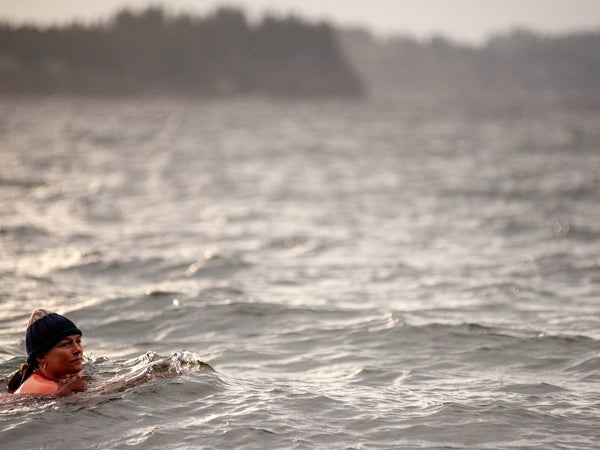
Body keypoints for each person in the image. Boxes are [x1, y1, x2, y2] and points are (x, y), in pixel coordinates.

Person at [6, 309, 86, 395]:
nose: (78, 349)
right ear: (41, 357)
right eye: (66, 344)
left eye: (78, 341)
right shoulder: (45, 387)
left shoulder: (66, 377)